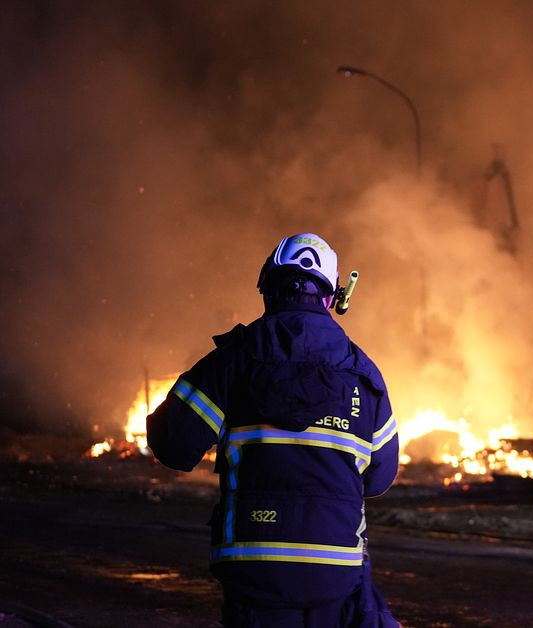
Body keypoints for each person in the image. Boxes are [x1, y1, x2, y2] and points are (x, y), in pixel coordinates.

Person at [148, 233, 400, 627]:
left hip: (252, 569)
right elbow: (380, 477)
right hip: (335, 571)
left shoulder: (232, 361)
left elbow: (173, 445)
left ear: (266, 287)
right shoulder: (363, 375)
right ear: (334, 299)